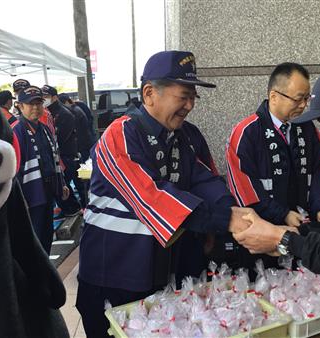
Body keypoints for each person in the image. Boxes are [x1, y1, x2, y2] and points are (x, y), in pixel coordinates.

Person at [76, 50, 255, 337]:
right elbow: (152, 197)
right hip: (115, 272)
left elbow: (203, 180)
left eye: (193, 97)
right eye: (183, 95)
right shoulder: (119, 135)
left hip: (163, 271)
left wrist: (240, 212)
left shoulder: (182, 136)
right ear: (149, 94)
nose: (190, 105)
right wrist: (226, 220)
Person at [233, 64, 320, 322]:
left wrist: (288, 240)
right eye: (300, 99)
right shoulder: (247, 131)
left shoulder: (309, 133)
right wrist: (289, 235)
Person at [225, 62, 320, 271]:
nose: (304, 105)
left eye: (307, 99)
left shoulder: (307, 129)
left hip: (302, 234)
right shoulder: (246, 133)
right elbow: (244, 192)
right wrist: (283, 214)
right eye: (298, 99)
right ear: (274, 96)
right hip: (261, 235)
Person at [12, 85, 69, 254]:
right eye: (30, 104)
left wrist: (62, 183)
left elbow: (54, 159)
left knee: (46, 233)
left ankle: (45, 268)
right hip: (30, 193)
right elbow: (14, 170)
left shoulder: (44, 129)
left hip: (48, 189)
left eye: (39, 103)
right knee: (34, 236)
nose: (36, 108)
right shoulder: (16, 131)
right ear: (20, 106)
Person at [42, 85, 82, 215]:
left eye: (46, 96)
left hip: (65, 155)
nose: (43, 99)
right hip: (58, 154)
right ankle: (71, 207)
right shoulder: (48, 111)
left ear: (54, 97)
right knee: (61, 183)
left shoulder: (65, 114)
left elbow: (60, 138)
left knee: (61, 183)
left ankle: (73, 208)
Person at [59, 94, 95, 163]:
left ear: (66, 102)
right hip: (86, 143)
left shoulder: (74, 112)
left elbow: (77, 131)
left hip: (82, 146)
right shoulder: (78, 108)